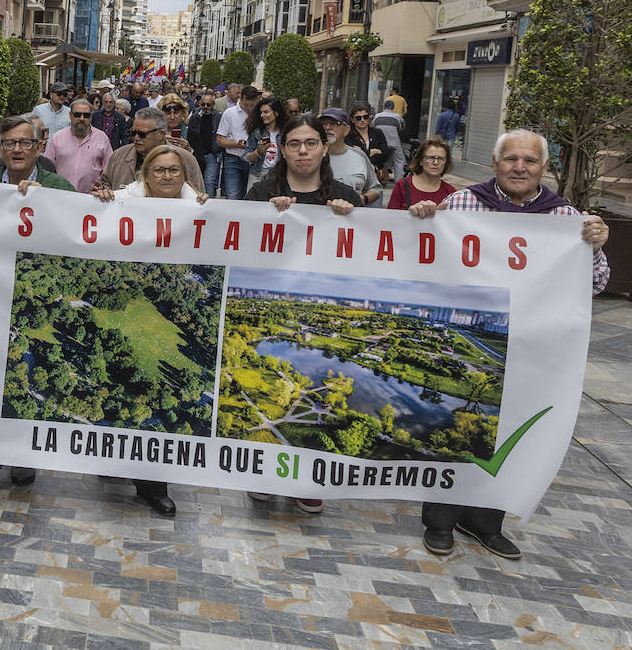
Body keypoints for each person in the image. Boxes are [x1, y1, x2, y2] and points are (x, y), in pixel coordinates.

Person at [408, 129, 609, 560]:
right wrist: (422, 217)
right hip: (473, 332)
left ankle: (484, 519)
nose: (520, 168)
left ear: (544, 167)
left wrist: (594, 247)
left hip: (530, 346)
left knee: (511, 433)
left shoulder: (564, 218)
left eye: (530, 161)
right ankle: (441, 520)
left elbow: (594, 284)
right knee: (458, 428)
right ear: (495, 164)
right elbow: (421, 254)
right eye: (511, 159)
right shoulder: (462, 203)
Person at [244, 114, 362, 514]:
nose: (303, 151)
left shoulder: (346, 197)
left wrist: (353, 216)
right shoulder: (261, 194)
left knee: (313, 394)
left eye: (311, 143)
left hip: (317, 311)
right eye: (294, 143)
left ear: (324, 148)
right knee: (272, 391)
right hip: (271, 313)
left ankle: (309, 480)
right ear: (283, 148)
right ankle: (262, 475)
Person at [0, 115, 75, 497]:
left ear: (39, 148)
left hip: (35, 300)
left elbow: (77, 235)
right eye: (9, 142)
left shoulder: (58, 186)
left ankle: (23, 454)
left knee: (24, 378)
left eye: (25, 143)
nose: (16, 149)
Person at [100, 107, 205, 193]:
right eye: (133, 133)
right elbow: (105, 184)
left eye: (142, 134)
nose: (136, 138)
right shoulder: (119, 155)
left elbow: (197, 196)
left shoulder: (186, 159)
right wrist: (102, 192)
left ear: (161, 134)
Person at [47, 98, 114, 193]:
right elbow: (47, 167)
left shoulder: (101, 137)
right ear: (70, 115)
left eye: (86, 115)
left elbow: (109, 169)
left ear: (91, 117)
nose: (82, 119)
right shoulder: (57, 137)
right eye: (77, 114)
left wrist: (103, 186)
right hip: (60, 195)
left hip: (91, 198)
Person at [321, 108, 382, 207]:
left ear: (347, 130)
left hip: (352, 219)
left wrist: (362, 199)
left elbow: (375, 188)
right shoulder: (312, 157)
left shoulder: (360, 156)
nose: (327, 127)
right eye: (323, 124)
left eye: (334, 123)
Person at [215, 84, 259, 199]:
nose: (249, 108)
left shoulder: (260, 114)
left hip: (254, 162)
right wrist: (236, 144)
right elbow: (219, 140)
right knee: (233, 196)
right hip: (233, 160)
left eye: (252, 105)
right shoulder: (229, 113)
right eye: (247, 105)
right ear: (241, 98)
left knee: (251, 197)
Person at [387, 136, 456, 209]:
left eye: (441, 159)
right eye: (430, 158)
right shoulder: (402, 186)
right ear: (420, 161)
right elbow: (391, 217)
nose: (436, 162)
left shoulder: (451, 192)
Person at [345, 102, 393, 183]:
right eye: (358, 118)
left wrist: (362, 152)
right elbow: (351, 157)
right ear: (352, 119)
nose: (362, 120)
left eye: (365, 117)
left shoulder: (377, 133)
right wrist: (372, 151)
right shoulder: (348, 136)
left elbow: (385, 154)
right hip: (354, 176)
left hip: (376, 178)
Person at [244, 97, 287, 183]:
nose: (262, 115)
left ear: (276, 113)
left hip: (278, 174)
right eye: (261, 112)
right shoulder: (257, 133)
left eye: (266, 112)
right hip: (257, 174)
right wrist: (258, 152)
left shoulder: (285, 133)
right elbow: (245, 157)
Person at [372, 100, 407, 181]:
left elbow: (373, 127)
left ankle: (380, 178)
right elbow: (402, 128)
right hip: (395, 142)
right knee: (399, 160)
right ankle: (398, 181)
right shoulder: (398, 117)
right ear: (393, 107)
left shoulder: (377, 116)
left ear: (384, 107)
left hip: (380, 144)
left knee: (379, 159)